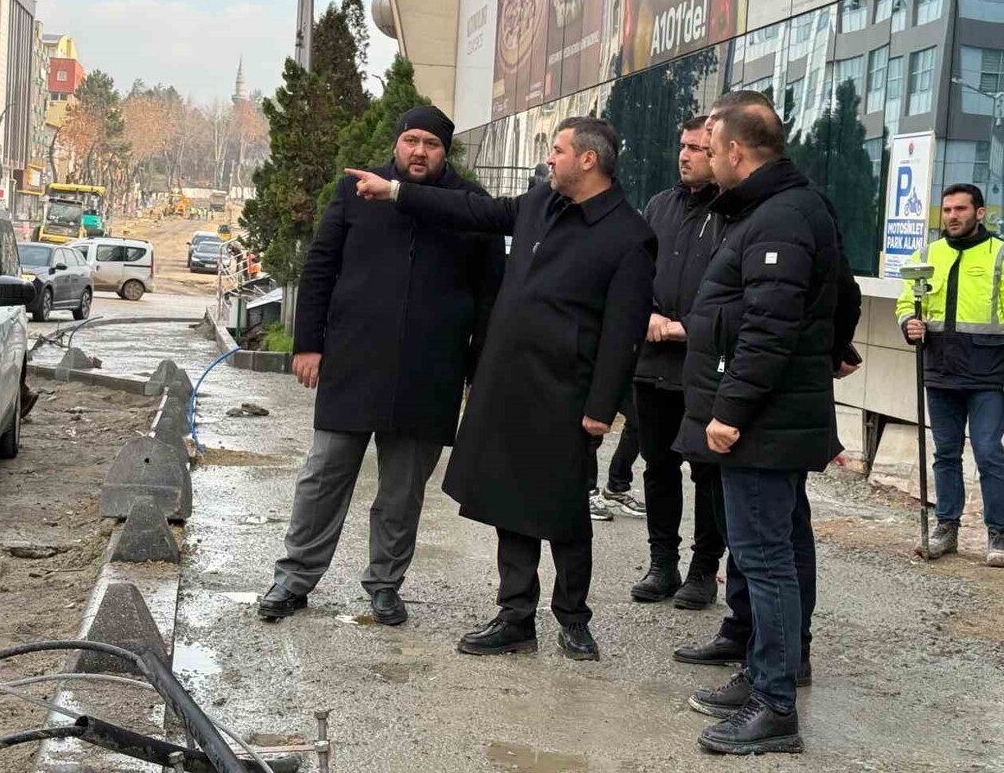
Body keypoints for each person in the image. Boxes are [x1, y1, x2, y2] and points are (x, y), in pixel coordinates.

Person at [347, 116, 655, 661]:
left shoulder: (629, 234)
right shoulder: (540, 202)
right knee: (509, 504)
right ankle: (515, 616)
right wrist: (397, 191)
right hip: (509, 383)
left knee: (563, 512)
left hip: (567, 394)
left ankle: (573, 618)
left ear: (588, 159)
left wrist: (602, 408)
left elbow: (624, 331)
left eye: (558, 150)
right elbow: (474, 211)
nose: (550, 158)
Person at [259, 105, 504, 625]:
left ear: (445, 151)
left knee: (402, 492)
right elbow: (320, 266)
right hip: (353, 362)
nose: (419, 151)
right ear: (397, 143)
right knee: (323, 475)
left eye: (431, 144)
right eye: (411, 140)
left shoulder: (471, 205)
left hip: (429, 372)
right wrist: (308, 344)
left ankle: (385, 585)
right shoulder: (356, 192)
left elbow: (490, 296)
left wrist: (477, 373)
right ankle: (293, 579)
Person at [672, 96, 845, 755]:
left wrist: (728, 412)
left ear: (737, 152)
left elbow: (768, 330)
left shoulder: (779, 219)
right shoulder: (781, 210)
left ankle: (775, 706)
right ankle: (772, 672)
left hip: (764, 424)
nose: (708, 159)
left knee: (765, 559)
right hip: (776, 419)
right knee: (778, 550)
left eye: (712, 148)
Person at [629, 115, 725, 607]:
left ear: (720, 152)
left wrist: (690, 327)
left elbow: (735, 292)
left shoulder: (733, 214)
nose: (686, 156)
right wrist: (643, 313)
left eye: (698, 148)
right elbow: (635, 269)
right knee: (657, 466)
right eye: (683, 146)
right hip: (651, 365)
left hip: (703, 367)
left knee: (707, 470)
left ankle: (704, 569)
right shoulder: (659, 206)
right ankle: (662, 563)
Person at [897, 183, 1004, 567]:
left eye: (961, 209)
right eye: (947, 210)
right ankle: (946, 527)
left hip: (988, 372)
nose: (953, 216)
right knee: (945, 453)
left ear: (979, 213)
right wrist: (909, 321)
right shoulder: (927, 255)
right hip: (940, 369)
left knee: (990, 452)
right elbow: (907, 299)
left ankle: (999, 532)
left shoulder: (1000, 254)